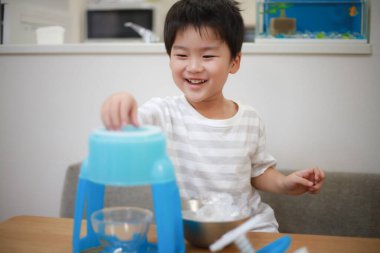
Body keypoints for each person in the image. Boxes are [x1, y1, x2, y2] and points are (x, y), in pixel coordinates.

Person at [101, 0, 325, 232]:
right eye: (181, 55)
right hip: (191, 232)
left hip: (251, 229)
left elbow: (258, 172)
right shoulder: (163, 113)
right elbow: (128, 125)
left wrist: (285, 184)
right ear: (170, 59)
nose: (194, 67)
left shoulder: (250, 119)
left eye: (207, 56)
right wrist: (121, 100)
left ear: (234, 62)